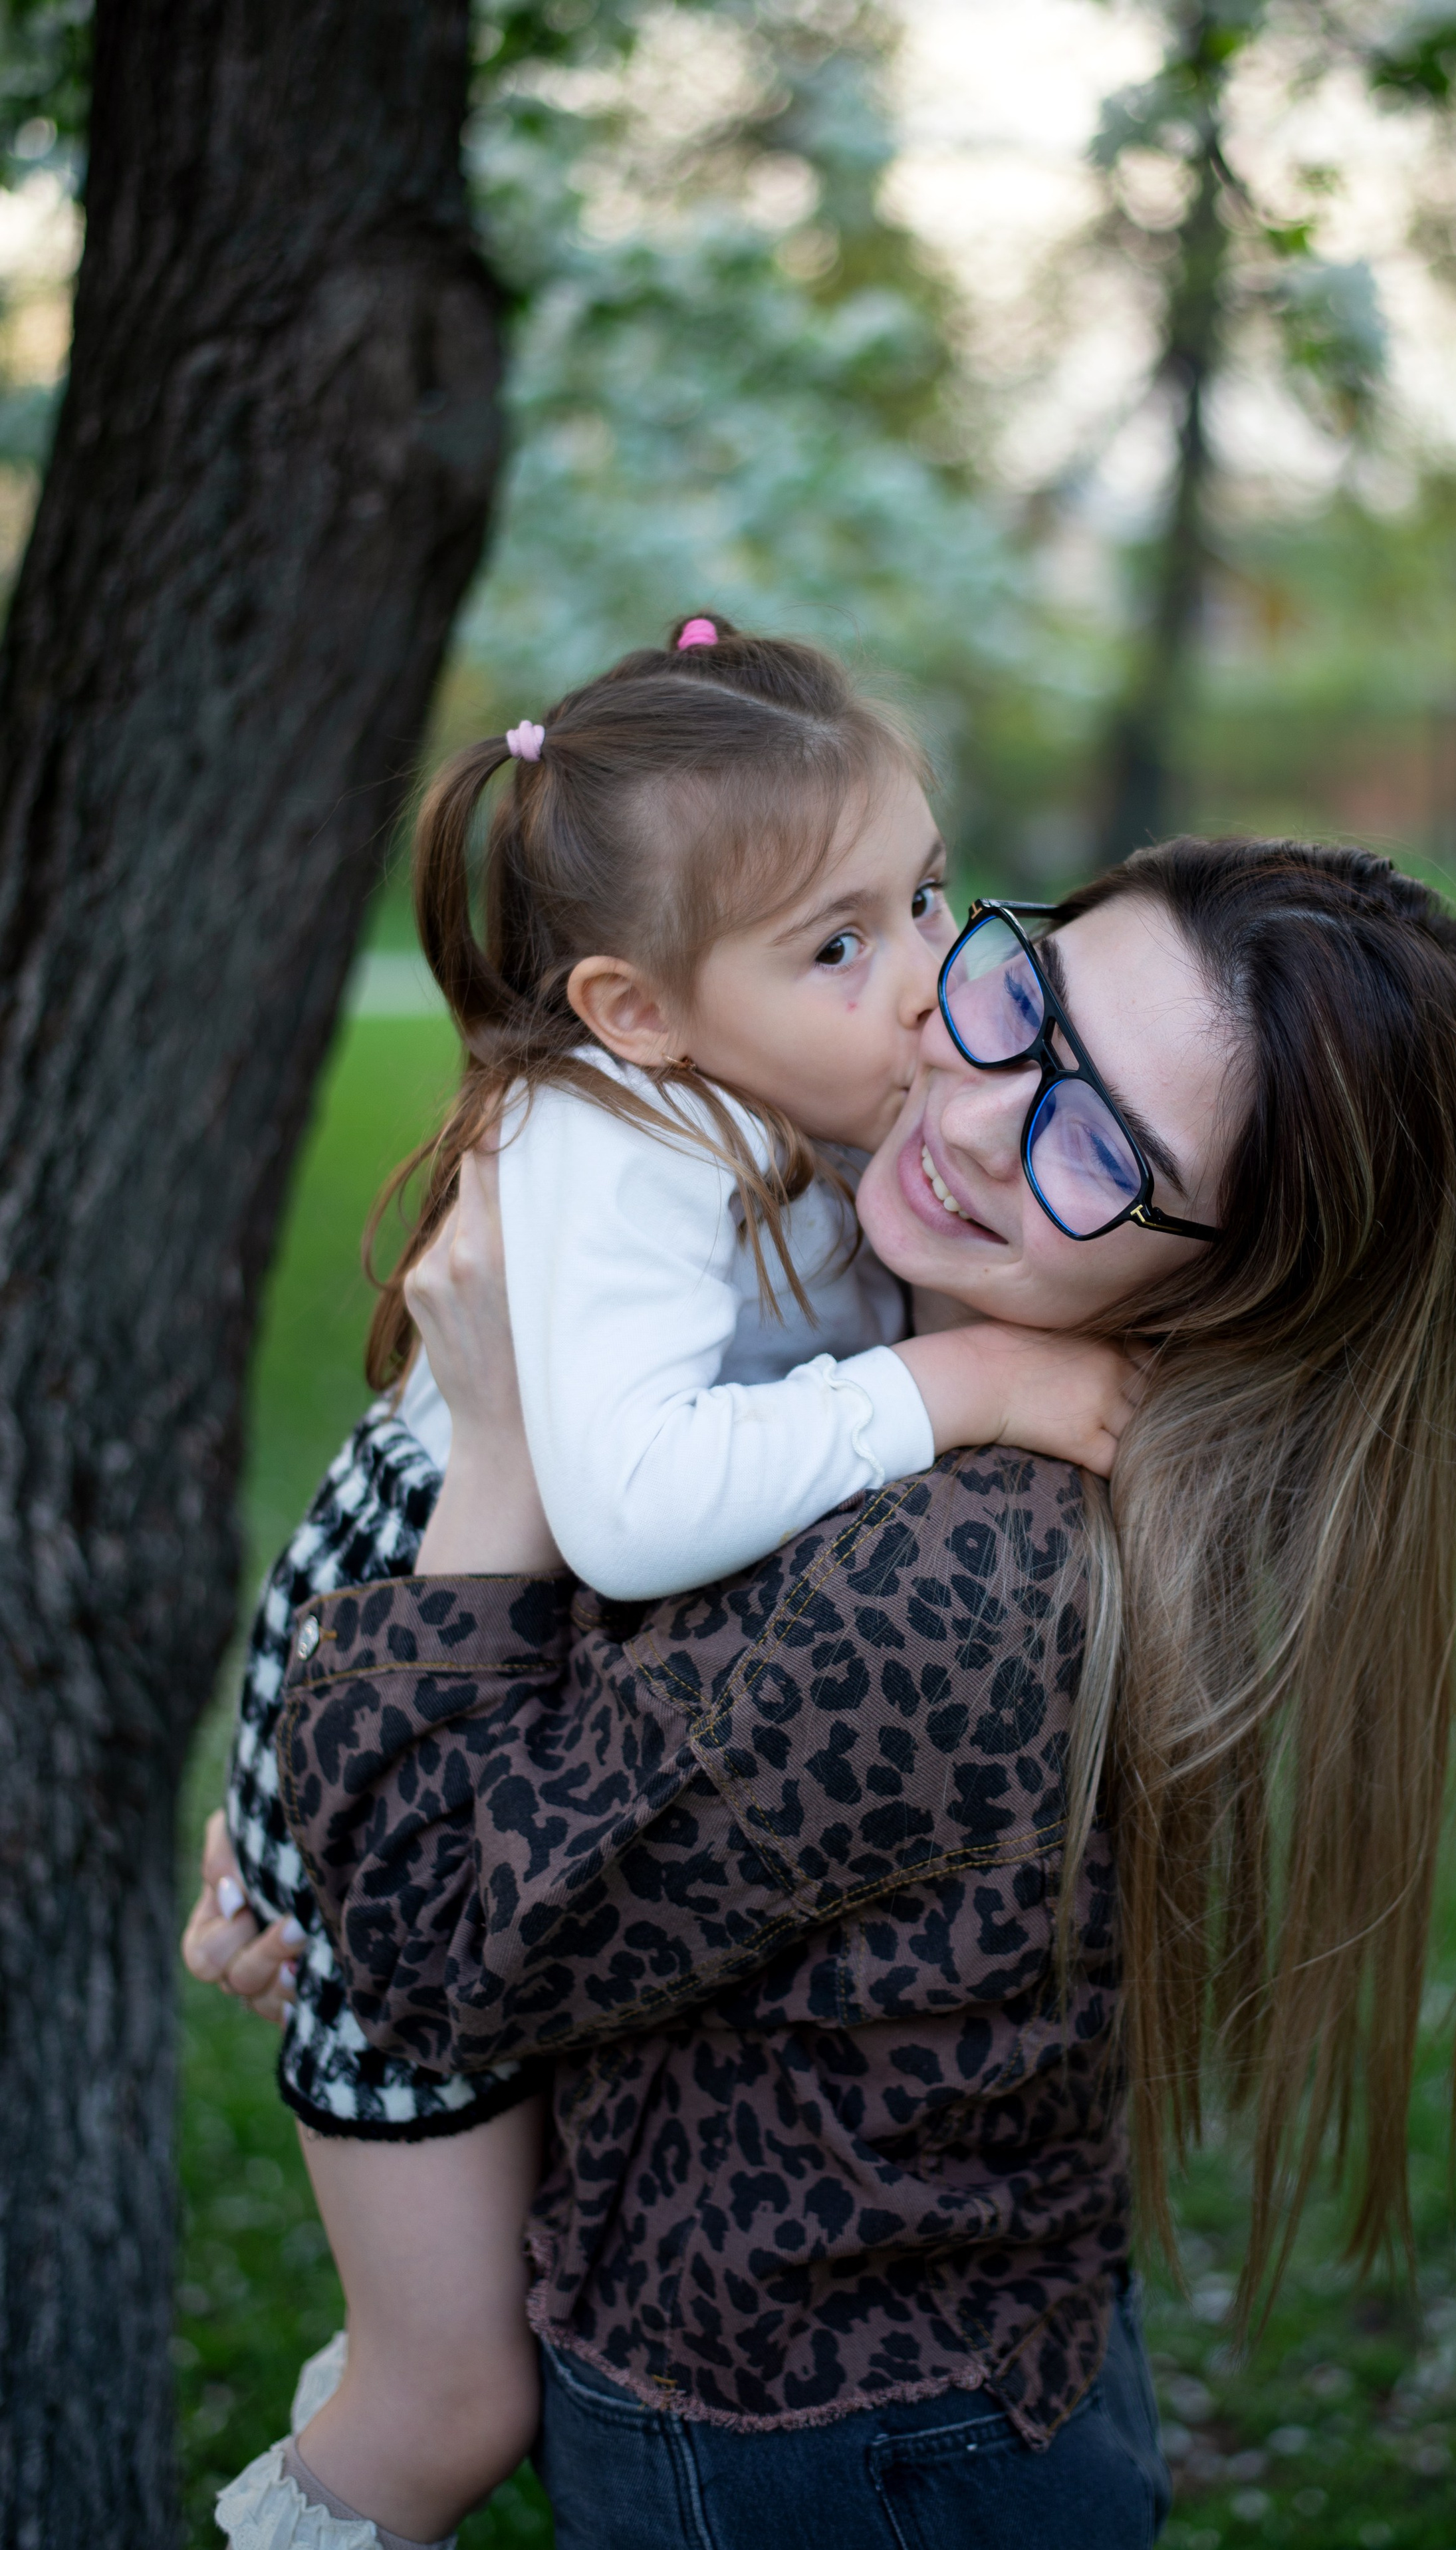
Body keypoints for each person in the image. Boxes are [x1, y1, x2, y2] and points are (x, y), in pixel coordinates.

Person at [188, 835, 1456, 2549]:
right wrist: (289, 1833)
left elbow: (446, 1946)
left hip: (821, 2469)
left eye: (1103, 1146)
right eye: (1017, 1003)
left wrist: (509, 1445)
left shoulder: (956, 1586)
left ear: (1242, 1273)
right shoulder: (910, 1313)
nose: (974, 1119)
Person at [202, 616, 1135, 2550]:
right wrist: (955, 1381)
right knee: (444, 2394)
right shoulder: (617, 1142)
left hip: (509, 1662)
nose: (923, 985)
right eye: (838, 941)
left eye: (928, 894)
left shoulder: (780, 1098)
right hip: (429, 1623)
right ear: (635, 1007)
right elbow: (620, 1511)